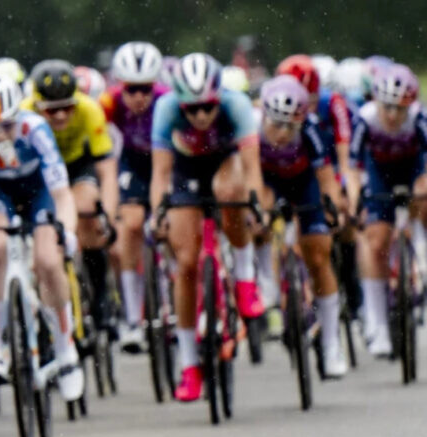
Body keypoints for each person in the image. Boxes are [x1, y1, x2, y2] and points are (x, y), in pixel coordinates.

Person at [0, 74, 85, 403]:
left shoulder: (35, 129)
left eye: (6, 127)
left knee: (49, 261)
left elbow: (63, 195)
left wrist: (66, 233)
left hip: (37, 189)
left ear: (18, 118)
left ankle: (66, 350)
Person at [149, 53, 264, 402]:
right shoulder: (166, 108)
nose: (200, 115)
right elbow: (161, 175)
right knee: (186, 265)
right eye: (192, 109)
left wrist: (256, 206)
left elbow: (252, 168)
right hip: (186, 172)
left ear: (220, 98)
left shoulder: (238, 105)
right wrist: (159, 213)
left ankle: (244, 278)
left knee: (231, 192)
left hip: (224, 163)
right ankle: (189, 364)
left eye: (208, 107)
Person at [257, 75, 348, 377]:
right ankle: (267, 284)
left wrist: (333, 211)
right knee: (259, 218)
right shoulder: (253, 130)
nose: (282, 133)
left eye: (290, 127)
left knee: (319, 255)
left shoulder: (311, 131)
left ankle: (332, 342)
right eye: (276, 124)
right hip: (269, 181)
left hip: (303, 183)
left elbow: (326, 180)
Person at [24, 60, 119, 342]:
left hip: (77, 166)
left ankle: (100, 292)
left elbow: (108, 173)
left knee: (87, 209)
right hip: (39, 171)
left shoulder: (90, 109)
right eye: (53, 111)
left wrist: (109, 218)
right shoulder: (25, 113)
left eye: (68, 107)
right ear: (38, 105)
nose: (62, 116)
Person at [345, 64, 427, 357]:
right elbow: (352, 168)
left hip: (414, 168)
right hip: (380, 173)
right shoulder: (365, 120)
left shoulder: (419, 119)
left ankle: (420, 252)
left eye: (399, 109)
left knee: (423, 198)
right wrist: (355, 200)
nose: (392, 116)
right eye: (387, 107)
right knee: (376, 239)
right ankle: (377, 323)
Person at [101, 41, 168, 350]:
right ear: (120, 86)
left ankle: (172, 297)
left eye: (145, 89)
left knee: (173, 227)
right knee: (130, 225)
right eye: (131, 89)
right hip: (133, 163)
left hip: (166, 163)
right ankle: (132, 317)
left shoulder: (168, 101)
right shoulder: (108, 102)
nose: (139, 97)